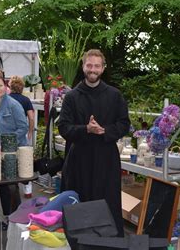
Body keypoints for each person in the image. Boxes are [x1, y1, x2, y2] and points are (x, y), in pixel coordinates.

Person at [57, 49, 131, 236]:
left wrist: (105, 130)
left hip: (106, 159)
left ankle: (110, 245)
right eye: (89, 65)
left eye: (97, 66)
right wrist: (86, 129)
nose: (93, 69)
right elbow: (64, 128)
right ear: (83, 66)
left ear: (103, 68)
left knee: (107, 205)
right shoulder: (72, 97)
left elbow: (124, 124)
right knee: (78, 207)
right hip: (79, 160)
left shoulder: (114, 96)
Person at [0, 74, 28, 229]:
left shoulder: (13, 105)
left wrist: (6, 144)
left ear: (6, 86)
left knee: (11, 185)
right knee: (2, 184)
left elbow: (23, 128)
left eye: (0, 85)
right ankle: (8, 217)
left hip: (12, 151)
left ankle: (17, 221)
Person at [9, 75, 35, 142]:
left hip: (7, 131)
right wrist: (30, 132)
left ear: (10, 86)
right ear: (22, 87)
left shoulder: (5, 99)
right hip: (21, 132)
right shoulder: (26, 100)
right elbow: (31, 118)